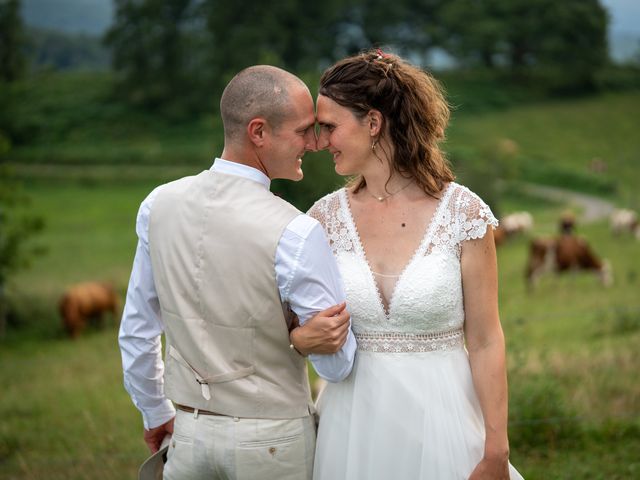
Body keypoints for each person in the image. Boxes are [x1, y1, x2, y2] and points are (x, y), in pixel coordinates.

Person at [118, 65, 357, 480]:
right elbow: (336, 367)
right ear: (259, 132)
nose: (315, 143)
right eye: (303, 130)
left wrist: (155, 411)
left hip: (188, 437)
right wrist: (296, 340)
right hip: (272, 444)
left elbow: (138, 329)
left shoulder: (158, 204)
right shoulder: (297, 231)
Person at [308, 49, 524, 479]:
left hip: (444, 424)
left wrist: (496, 448)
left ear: (373, 123)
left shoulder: (465, 215)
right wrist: (303, 337)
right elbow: (293, 326)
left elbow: (485, 340)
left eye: (330, 127)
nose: (319, 141)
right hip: (351, 428)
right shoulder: (322, 220)